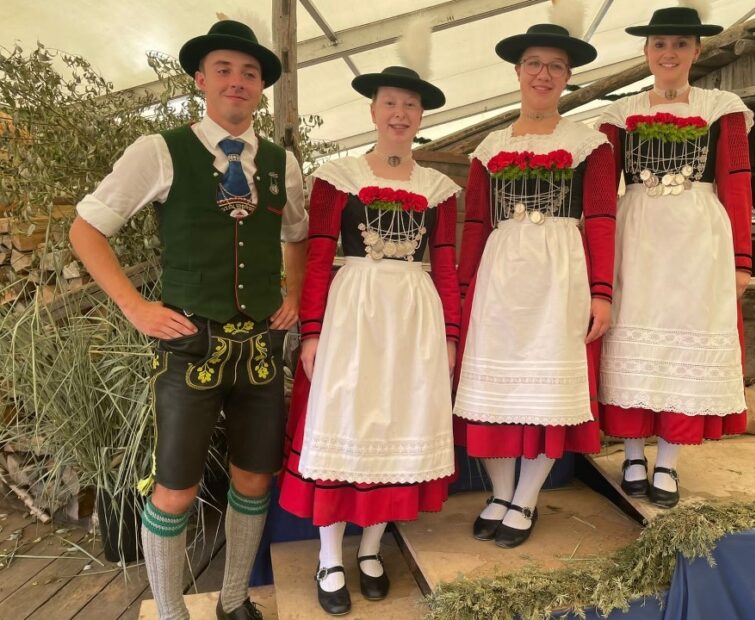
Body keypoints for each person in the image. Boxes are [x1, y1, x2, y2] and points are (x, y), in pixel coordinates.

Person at [69, 20, 307, 620]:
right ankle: (173, 612)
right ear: (201, 79)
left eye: (249, 73)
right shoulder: (159, 150)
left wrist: (295, 293)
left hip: (258, 348)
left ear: (261, 88)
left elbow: (297, 235)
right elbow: (86, 229)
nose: (237, 81)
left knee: (254, 479)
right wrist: (136, 306)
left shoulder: (281, 163)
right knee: (174, 489)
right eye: (224, 69)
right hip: (188, 346)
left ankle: (234, 600)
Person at [277, 64, 460, 615]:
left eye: (410, 105)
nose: (400, 114)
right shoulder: (339, 177)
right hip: (354, 311)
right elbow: (317, 259)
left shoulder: (438, 188)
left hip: (414, 316)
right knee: (347, 420)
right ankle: (329, 556)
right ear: (373, 110)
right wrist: (312, 332)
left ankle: (372, 547)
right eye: (390, 103)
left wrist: (450, 335)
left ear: (421, 116)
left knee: (397, 420)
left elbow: (445, 265)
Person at [454, 19, 616, 549]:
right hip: (499, 278)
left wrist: (601, 291)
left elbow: (601, 220)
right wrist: (463, 289)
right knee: (494, 390)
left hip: (559, 277)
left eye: (555, 66)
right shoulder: (489, 147)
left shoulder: (589, 144)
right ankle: (501, 492)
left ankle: (526, 496)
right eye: (534, 64)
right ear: (518, 71)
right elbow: (476, 224)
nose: (543, 74)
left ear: (567, 77)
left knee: (548, 392)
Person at [596, 3, 753, 509]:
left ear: (697, 51)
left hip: (698, 243)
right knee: (631, 334)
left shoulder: (721, 107)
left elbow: (737, 183)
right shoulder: (619, 114)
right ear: (646, 51)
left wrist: (742, 260)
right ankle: (632, 453)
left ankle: (668, 459)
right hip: (636, 239)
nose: (669, 53)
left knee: (684, 342)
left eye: (680, 44)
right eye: (660, 44)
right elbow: (601, 191)